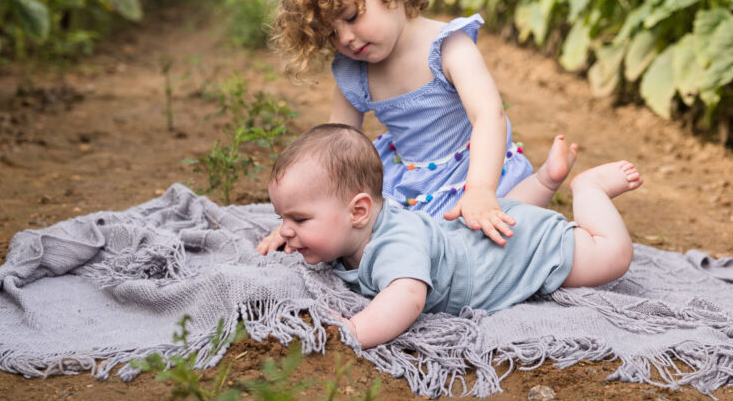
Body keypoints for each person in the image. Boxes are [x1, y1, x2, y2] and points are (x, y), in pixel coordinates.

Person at [258, 0, 577, 255]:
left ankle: (543, 183)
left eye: (351, 17)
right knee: (380, 241)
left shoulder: (447, 47)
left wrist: (480, 189)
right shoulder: (354, 70)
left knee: (495, 225)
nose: (345, 39)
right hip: (409, 183)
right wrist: (297, 225)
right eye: (331, 33)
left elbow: (488, 116)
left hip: (473, 168)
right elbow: (332, 150)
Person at [265, 124, 642, 349]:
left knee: (611, 256)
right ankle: (545, 180)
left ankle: (589, 188)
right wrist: (294, 234)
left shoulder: (395, 245)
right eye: (282, 217)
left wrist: (355, 331)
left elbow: (407, 298)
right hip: (483, 234)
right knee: (505, 216)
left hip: (524, 251)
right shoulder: (346, 234)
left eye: (299, 219)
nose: (286, 229)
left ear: (358, 211)